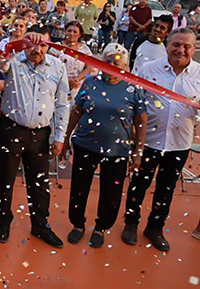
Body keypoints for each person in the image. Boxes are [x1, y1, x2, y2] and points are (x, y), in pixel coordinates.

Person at [62, 43, 147, 248]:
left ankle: (101, 228)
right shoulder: (91, 82)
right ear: (102, 63)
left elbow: (141, 121)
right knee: (79, 187)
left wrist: (138, 152)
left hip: (118, 150)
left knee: (111, 193)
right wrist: (65, 139)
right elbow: (76, 111)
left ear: (126, 66)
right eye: (109, 62)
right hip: (85, 145)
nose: (113, 67)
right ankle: (78, 225)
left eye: (119, 64)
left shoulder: (133, 88)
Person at [122, 28, 200, 251]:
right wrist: (134, 140)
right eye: (176, 44)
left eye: (187, 46)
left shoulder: (199, 74)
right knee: (138, 184)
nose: (181, 50)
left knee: (166, 188)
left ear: (194, 49)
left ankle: (155, 228)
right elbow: (135, 103)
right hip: (148, 141)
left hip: (179, 144)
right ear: (167, 45)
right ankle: (130, 223)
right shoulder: (148, 69)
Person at [0, 29, 69, 248]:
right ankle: (3, 222)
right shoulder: (13, 60)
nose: (37, 49)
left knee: (39, 182)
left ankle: (40, 224)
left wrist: (60, 136)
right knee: (5, 178)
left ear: (49, 46)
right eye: (33, 44)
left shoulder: (57, 66)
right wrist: (18, 44)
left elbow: (63, 102)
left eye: (43, 45)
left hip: (41, 133)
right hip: (11, 129)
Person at [51, 21, 93, 101]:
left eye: (75, 31)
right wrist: (66, 81)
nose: (71, 33)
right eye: (69, 31)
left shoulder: (84, 49)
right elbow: (51, 66)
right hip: (58, 83)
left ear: (80, 35)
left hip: (77, 85)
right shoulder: (57, 46)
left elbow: (88, 68)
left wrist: (76, 80)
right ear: (65, 31)